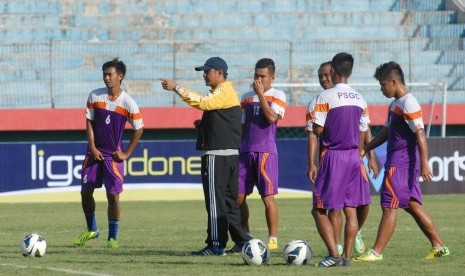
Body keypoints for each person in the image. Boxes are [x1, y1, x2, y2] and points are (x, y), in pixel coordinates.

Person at [354, 61, 449, 262]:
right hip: (401, 162)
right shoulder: (395, 104)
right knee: (412, 205)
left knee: (389, 205)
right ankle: (439, 246)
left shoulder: (409, 103)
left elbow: (420, 132)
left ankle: (376, 252)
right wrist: (367, 148)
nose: (381, 89)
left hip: (401, 164)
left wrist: (424, 162)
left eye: (383, 84)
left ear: (394, 81)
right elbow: (387, 132)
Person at [159, 56, 251, 256]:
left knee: (215, 202)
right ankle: (242, 241)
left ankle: (216, 245)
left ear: (219, 73)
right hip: (229, 155)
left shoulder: (223, 91)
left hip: (217, 156)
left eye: (207, 71)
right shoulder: (225, 93)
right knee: (228, 202)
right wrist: (206, 127)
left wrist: (177, 88)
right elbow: (223, 119)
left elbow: (202, 102)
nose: (204, 74)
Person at [306, 61, 379, 256]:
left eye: (326, 75)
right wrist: (312, 162)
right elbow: (312, 134)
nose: (323, 79)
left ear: (334, 73)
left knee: (360, 203)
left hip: (345, 155)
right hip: (349, 156)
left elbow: (318, 130)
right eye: (320, 76)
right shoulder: (355, 98)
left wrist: (370, 155)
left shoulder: (326, 98)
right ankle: (339, 247)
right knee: (343, 207)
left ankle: (349, 239)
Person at [73, 58, 144, 248]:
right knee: (85, 192)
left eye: (110, 74)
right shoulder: (95, 96)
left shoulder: (128, 102)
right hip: (94, 154)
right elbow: (89, 121)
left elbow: (139, 128)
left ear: (120, 77)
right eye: (104, 74)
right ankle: (91, 229)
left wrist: (126, 153)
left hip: (113, 157)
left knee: (113, 196)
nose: (106, 77)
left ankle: (112, 237)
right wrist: (93, 147)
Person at [231, 58, 286, 252]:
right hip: (245, 152)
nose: (258, 79)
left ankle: (272, 238)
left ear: (272, 77)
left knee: (267, 198)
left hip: (266, 152)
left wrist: (261, 95)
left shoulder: (278, 95)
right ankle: (245, 235)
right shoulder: (246, 97)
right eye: (256, 75)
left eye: (262, 76)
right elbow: (241, 126)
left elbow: (271, 118)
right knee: (238, 197)